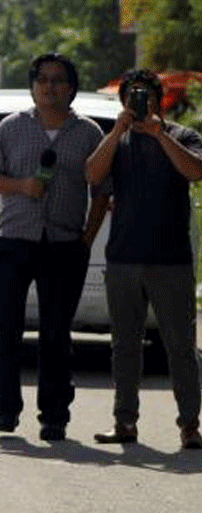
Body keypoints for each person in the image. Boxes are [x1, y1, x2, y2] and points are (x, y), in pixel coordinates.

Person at [0, 53, 109, 441]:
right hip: (14, 240)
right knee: (6, 330)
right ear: (32, 86)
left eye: (58, 80)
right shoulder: (11, 128)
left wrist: (86, 237)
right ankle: (5, 408)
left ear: (71, 87)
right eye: (42, 80)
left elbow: (102, 191)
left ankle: (54, 415)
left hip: (64, 244)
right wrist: (21, 186)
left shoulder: (87, 133)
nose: (50, 86)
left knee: (56, 333)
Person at [85, 68, 202, 449]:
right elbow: (92, 174)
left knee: (180, 347)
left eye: (147, 96)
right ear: (123, 104)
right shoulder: (116, 141)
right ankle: (125, 422)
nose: (141, 104)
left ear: (159, 99)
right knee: (124, 346)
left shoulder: (183, 136)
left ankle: (190, 426)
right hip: (123, 259)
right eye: (133, 98)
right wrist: (118, 131)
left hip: (172, 260)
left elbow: (195, 171)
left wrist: (159, 133)